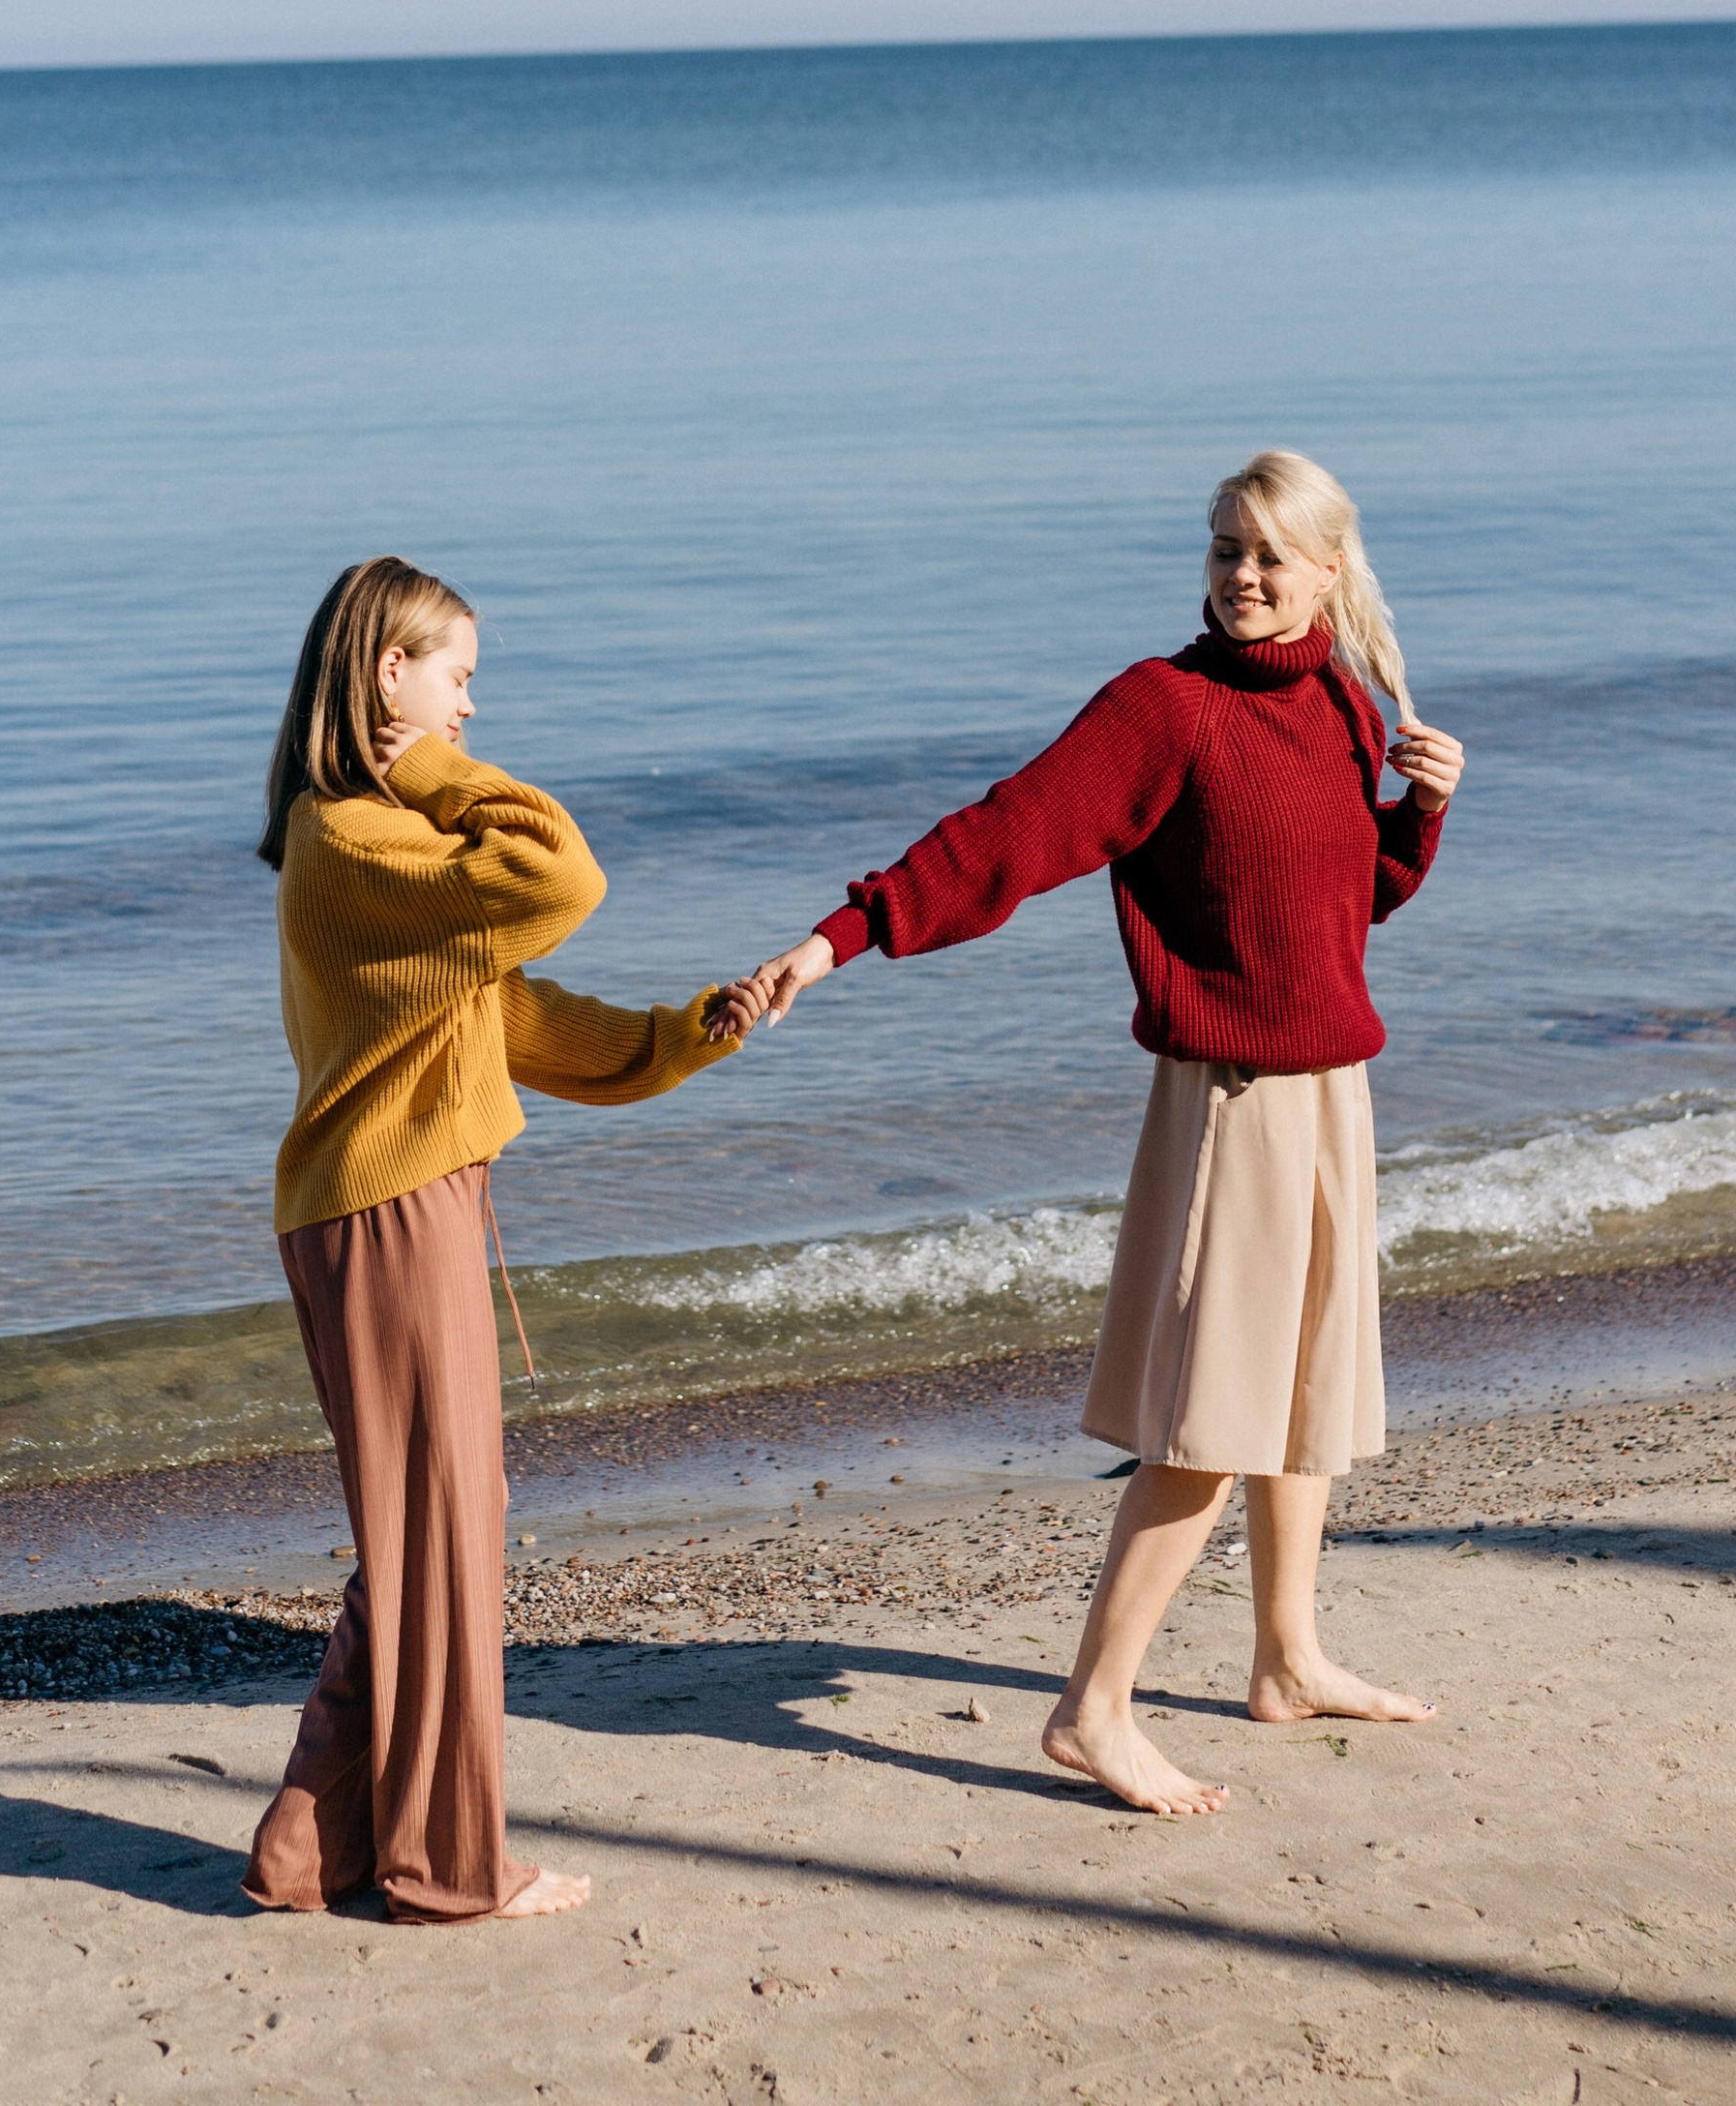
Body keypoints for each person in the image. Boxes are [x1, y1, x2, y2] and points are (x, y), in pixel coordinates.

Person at [744, 451, 1464, 1816]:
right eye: (1220, 552)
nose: (1240, 578)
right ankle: (1094, 1709)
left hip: (1328, 1090)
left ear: (1327, 571)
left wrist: (1418, 813)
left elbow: (1341, 908)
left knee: (1304, 1395)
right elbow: (1004, 839)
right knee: (1210, 1422)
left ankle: (1288, 1656)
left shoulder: (1347, 705)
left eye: (1265, 555)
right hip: (1233, 1104)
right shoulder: (1161, 710)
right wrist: (838, 940)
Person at [242, 557, 768, 1922]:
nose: (472, 709)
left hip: (403, 1208)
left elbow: (513, 1015)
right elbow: (558, 870)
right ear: (383, 677)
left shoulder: (392, 860)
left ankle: (314, 1848)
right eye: (456, 677)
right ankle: (443, 1869)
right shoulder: (356, 841)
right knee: (441, 1545)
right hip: (384, 1216)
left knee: (431, 1536)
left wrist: (681, 1035)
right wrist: (424, 770)